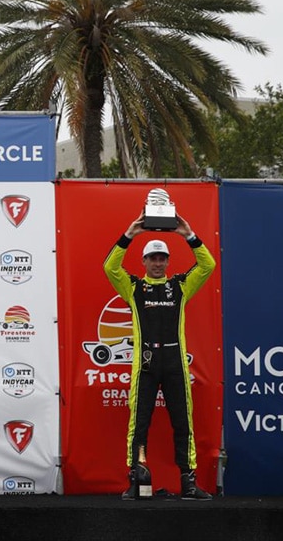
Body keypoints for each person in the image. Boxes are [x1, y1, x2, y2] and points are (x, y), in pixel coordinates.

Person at [103, 212, 215, 501]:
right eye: (152, 258)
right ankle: (138, 477)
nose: (157, 263)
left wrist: (188, 235)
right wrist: (130, 234)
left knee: (183, 423)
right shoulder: (133, 287)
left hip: (176, 364)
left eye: (161, 258)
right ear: (143, 262)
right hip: (146, 367)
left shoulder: (179, 286)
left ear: (167, 261)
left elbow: (207, 265)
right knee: (139, 424)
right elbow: (110, 267)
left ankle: (188, 481)